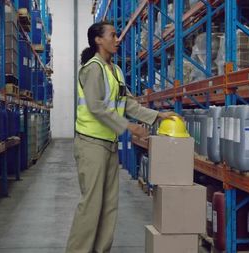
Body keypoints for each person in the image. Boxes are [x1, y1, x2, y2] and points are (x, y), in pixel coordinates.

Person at [66, 21, 177, 253]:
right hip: (91, 144)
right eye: (113, 35)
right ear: (98, 40)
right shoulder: (92, 68)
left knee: (108, 206)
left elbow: (127, 103)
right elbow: (96, 107)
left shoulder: (115, 71)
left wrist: (157, 116)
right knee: (91, 206)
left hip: (109, 145)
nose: (118, 39)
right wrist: (129, 128)